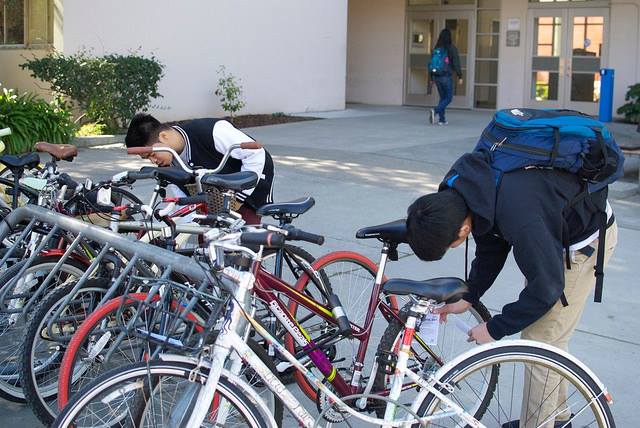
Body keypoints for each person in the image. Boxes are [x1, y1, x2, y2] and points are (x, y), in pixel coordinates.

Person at [405, 152, 617, 427]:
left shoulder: (520, 215)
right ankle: (557, 416)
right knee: (547, 334)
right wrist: (469, 295)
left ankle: (539, 423)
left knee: (541, 342)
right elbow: (491, 242)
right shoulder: (460, 189)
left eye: (450, 245)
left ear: (463, 228)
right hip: (549, 233)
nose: (452, 247)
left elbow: (547, 287)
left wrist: (495, 329)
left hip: (582, 244)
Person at [125, 114, 274, 224]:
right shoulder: (168, 161)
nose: (153, 161)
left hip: (251, 178)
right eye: (147, 159)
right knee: (206, 237)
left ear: (163, 136)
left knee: (242, 238)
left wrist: (239, 199)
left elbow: (256, 154)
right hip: (216, 193)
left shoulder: (210, 131)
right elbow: (182, 194)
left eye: (152, 154)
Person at [428, 28, 463, 125]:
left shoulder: (436, 49)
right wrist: (460, 76)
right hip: (446, 77)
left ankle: (442, 120)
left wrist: (431, 78)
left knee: (442, 97)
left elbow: (431, 64)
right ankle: (435, 110)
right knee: (448, 98)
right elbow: (456, 63)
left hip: (436, 76)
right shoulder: (451, 48)